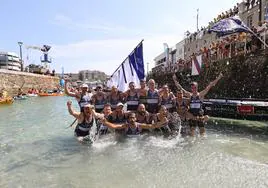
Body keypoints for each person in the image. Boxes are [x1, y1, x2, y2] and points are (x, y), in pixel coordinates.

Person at [100, 112, 168, 137]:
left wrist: (162, 122)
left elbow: (152, 126)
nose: (132, 119)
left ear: (136, 118)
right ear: (128, 119)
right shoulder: (126, 126)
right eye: (130, 118)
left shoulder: (140, 125)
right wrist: (106, 122)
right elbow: (115, 126)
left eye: (133, 118)